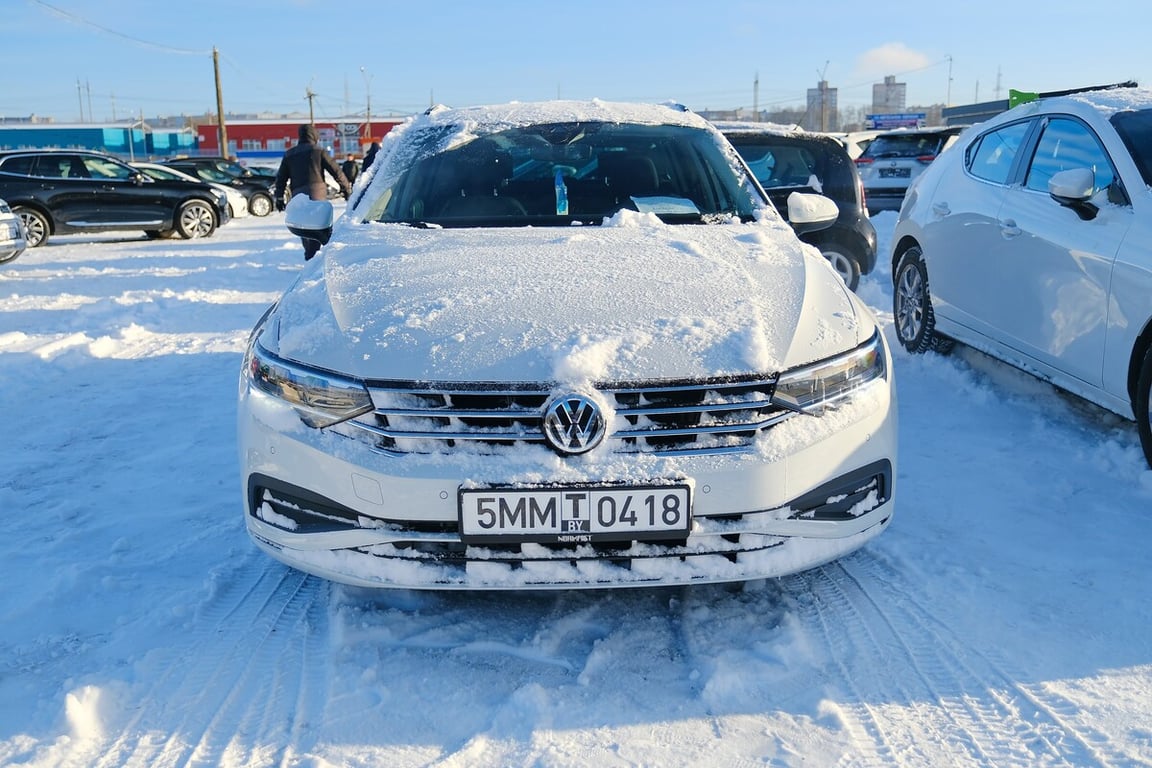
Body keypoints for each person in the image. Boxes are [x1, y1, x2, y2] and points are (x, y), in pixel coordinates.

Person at [274, 124, 353, 260]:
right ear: (315, 135)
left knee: (305, 227)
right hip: (318, 194)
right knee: (320, 226)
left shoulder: (289, 154)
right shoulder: (319, 151)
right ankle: (319, 257)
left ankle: (310, 256)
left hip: (299, 195)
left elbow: (281, 178)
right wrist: (347, 189)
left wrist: (279, 197)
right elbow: (337, 171)